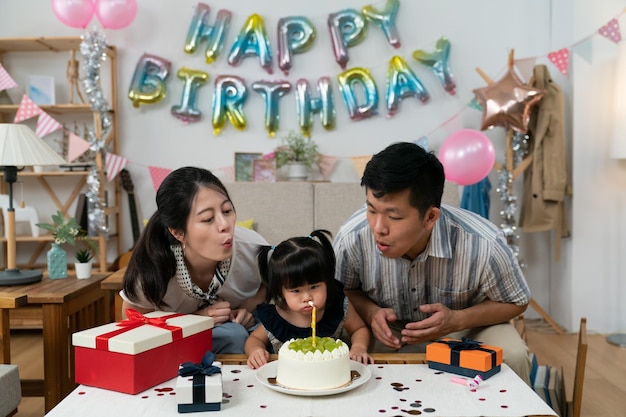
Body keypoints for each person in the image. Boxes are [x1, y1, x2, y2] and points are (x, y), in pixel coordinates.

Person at [333, 142, 533, 384]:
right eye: (372, 210)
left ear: (430, 217)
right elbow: (340, 290)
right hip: (381, 330)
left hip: (464, 329)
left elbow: (517, 301)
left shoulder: (483, 243)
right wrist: (371, 312)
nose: (378, 228)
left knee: (513, 355)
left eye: (394, 217)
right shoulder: (352, 237)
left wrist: (456, 320)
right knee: (332, 351)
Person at [121, 166, 268, 354]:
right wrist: (196, 319)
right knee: (233, 336)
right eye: (208, 219)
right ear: (177, 232)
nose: (225, 225)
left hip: (241, 336)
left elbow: (270, 285)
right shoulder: (153, 267)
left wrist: (247, 308)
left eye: (227, 211)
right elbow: (131, 323)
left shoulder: (253, 248)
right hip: (172, 343)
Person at [245, 229, 374, 369]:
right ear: (281, 291)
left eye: (314, 287)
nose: (306, 297)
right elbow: (254, 339)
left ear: (327, 282)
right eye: (295, 290)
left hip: (330, 375)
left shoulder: (338, 305)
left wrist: (359, 347)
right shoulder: (275, 317)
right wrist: (255, 350)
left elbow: (359, 329)